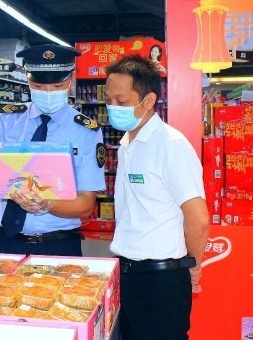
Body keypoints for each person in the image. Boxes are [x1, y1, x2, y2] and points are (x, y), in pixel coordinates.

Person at [105, 54, 210, 340]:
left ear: (148, 100)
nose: (112, 107)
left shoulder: (170, 145)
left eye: (122, 101)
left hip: (161, 280)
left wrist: (193, 265)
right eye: (108, 100)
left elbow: (198, 219)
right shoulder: (127, 143)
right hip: (127, 274)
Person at [0, 44, 105, 256]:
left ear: (71, 81)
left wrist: (47, 204)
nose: (48, 93)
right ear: (28, 79)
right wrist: (4, 175)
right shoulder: (7, 120)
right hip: (7, 242)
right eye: (39, 86)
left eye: (57, 87)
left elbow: (85, 205)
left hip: (59, 244)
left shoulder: (87, 131)